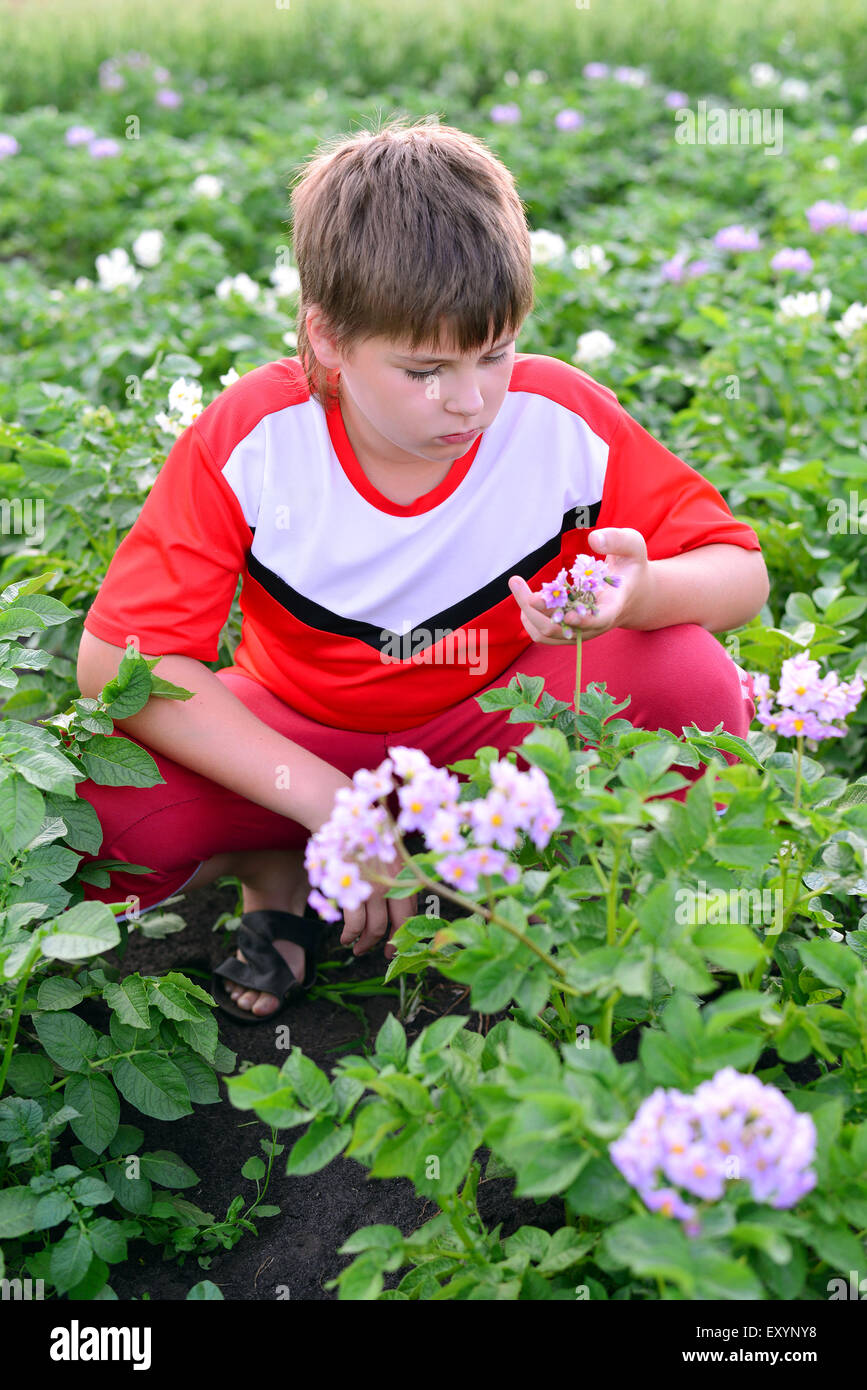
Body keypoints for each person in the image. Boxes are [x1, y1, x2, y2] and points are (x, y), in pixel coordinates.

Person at [73, 115, 769, 1020]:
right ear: (326, 339)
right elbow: (119, 668)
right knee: (100, 819)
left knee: (685, 673)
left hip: (493, 727)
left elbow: (739, 575)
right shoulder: (255, 438)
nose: (471, 400)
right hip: (302, 738)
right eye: (423, 369)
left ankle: (640, 920)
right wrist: (329, 803)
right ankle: (276, 864)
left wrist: (645, 592)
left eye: (494, 352)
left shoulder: (555, 415)